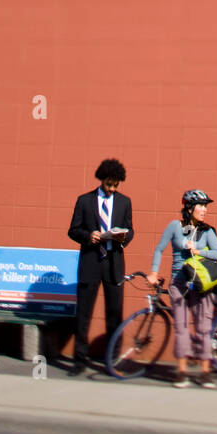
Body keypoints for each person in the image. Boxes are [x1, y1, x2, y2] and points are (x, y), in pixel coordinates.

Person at [146, 189, 217, 388]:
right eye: (201, 206)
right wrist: (153, 273)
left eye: (206, 206)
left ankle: (205, 372)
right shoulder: (175, 226)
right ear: (189, 208)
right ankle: (181, 371)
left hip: (200, 284)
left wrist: (198, 250)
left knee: (203, 328)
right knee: (181, 327)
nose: (204, 210)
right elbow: (159, 249)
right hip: (179, 284)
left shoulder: (208, 231)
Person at [67, 158, 134, 374]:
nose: (112, 189)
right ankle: (79, 360)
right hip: (91, 262)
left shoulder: (124, 202)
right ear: (101, 180)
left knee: (114, 312)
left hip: (114, 263)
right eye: (108, 184)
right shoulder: (84, 200)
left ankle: (111, 361)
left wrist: (122, 237)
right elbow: (73, 230)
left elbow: (131, 230)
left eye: (116, 185)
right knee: (84, 312)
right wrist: (89, 236)